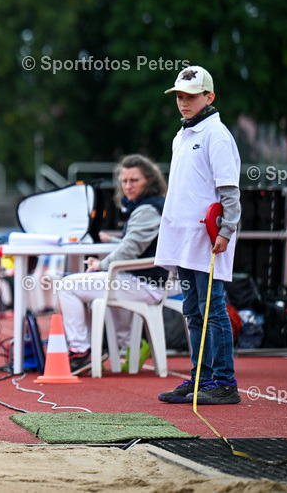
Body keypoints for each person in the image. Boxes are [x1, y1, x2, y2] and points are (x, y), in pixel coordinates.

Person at [155, 66, 241, 406]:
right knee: (193, 309)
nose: (183, 102)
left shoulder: (216, 135)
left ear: (209, 97)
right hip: (185, 240)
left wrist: (226, 230)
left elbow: (229, 190)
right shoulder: (182, 136)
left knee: (212, 310)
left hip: (207, 239)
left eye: (190, 96)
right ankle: (201, 378)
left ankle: (224, 381)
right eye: (179, 96)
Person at [57, 154, 169, 375]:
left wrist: (102, 264)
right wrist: (114, 243)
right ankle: (130, 344)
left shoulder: (147, 209)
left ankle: (81, 352)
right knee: (90, 287)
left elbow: (130, 250)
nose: (127, 186)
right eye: (124, 181)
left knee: (67, 286)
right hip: (143, 280)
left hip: (144, 283)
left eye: (134, 180)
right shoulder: (150, 206)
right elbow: (140, 244)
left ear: (149, 181)